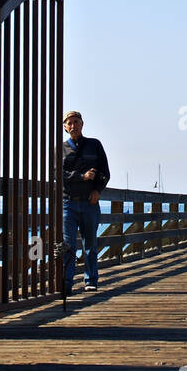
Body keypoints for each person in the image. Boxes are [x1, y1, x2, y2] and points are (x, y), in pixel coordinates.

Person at [62, 111, 110, 294]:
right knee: (68, 246)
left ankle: (91, 280)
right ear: (65, 127)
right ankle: (67, 282)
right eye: (69, 123)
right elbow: (57, 175)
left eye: (76, 122)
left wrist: (97, 190)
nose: (73, 125)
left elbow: (105, 171)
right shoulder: (61, 149)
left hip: (89, 203)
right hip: (68, 203)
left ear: (82, 124)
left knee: (90, 244)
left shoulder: (94, 145)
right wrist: (81, 177)